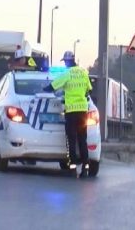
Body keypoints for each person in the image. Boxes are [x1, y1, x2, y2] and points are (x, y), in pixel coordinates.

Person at [51, 50, 93, 178]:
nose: (65, 65)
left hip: (71, 112)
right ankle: (85, 169)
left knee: (71, 140)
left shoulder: (67, 73)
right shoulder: (83, 72)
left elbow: (53, 86)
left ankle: (72, 168)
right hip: (83, 112)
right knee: (82, 140)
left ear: (67, 61)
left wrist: (43, 89)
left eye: (65, 62)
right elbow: (89, 90)